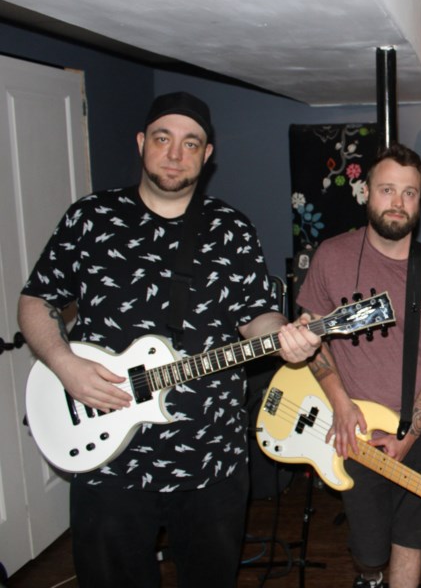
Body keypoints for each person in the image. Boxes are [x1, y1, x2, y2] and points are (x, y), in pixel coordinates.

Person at [17, 91, 319, 587]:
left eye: (190, 143)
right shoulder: (90, 219)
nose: (176, 154)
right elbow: (35, 301)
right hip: (108, 465)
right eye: (163, 138)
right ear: (142, 143)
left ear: (207, 154)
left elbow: (256, 318)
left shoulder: (231, 230)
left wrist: (289, 338)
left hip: (210, 461)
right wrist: (63, 364)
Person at [293, 143, 421, 588]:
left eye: (409, 193)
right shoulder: (331, 256)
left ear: (420, 201)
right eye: (387, 189)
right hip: (353, 427)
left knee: (410, 541)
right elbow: (311, 342)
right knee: (369, 554)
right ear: (366, 192)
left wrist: (408, 435)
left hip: (416, 430)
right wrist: (341, 404)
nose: (398, 202)